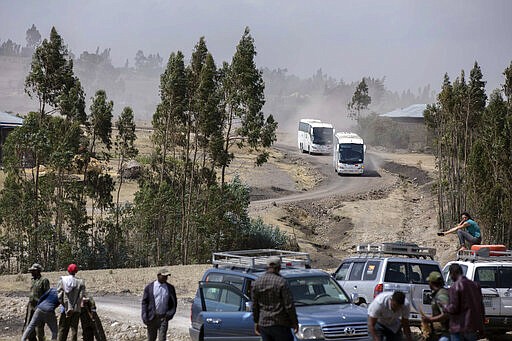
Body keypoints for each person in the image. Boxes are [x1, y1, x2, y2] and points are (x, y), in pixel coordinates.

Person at [251, 256, 298, 341]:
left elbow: (255, 306)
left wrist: (256, 322)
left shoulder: (257, 283)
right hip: (280, 324)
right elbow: (289, 305)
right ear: (279, 267)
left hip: (264, 324)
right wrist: (294, 322)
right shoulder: (281, 282)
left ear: (267, 267)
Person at [443, 263, 485, 341]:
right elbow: (481, 307)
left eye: (450, 274)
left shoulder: (455, 287)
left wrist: (445, 307)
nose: (451, 277)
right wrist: (481, 327)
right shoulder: (475, 285)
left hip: (458, 328)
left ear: (453, 273)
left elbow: (454, 308)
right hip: (472, 327)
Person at [141, 268, 178, 341]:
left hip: (163, 318)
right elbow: (144, 303)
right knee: (151, 338)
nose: (166, 278)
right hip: (152, 318)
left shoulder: (170, 288)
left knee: (162, 338)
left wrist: (169, 314)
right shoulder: (149, 288)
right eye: (164, 276)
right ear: (158, 275)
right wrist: (145, 316)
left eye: (167, 276)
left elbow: (174, 303)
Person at [57, 263, 86, 341]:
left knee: (62, 329)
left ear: (68, 270)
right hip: (76, 310)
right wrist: (75, 306)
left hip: (65, 310)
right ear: (76, 271)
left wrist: (65, 305)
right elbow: (81, 296)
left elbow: (59, 296)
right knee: (74, 330)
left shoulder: (62, 280)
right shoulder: (80, 282)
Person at [24, 263, 50, 341]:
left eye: (33, 271)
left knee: (39, 329)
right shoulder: (33, 280)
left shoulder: (44, 280)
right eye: (31, 271)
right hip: (31, 306)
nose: (31, 272)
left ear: (38, 271)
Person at [421, 271, 450, 341]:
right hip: (438, 333)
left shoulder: (441, 295)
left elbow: (446, 314)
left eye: (429, 282)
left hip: (445, 333)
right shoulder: (438, 294)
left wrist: (429, 319)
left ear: (432, 283)